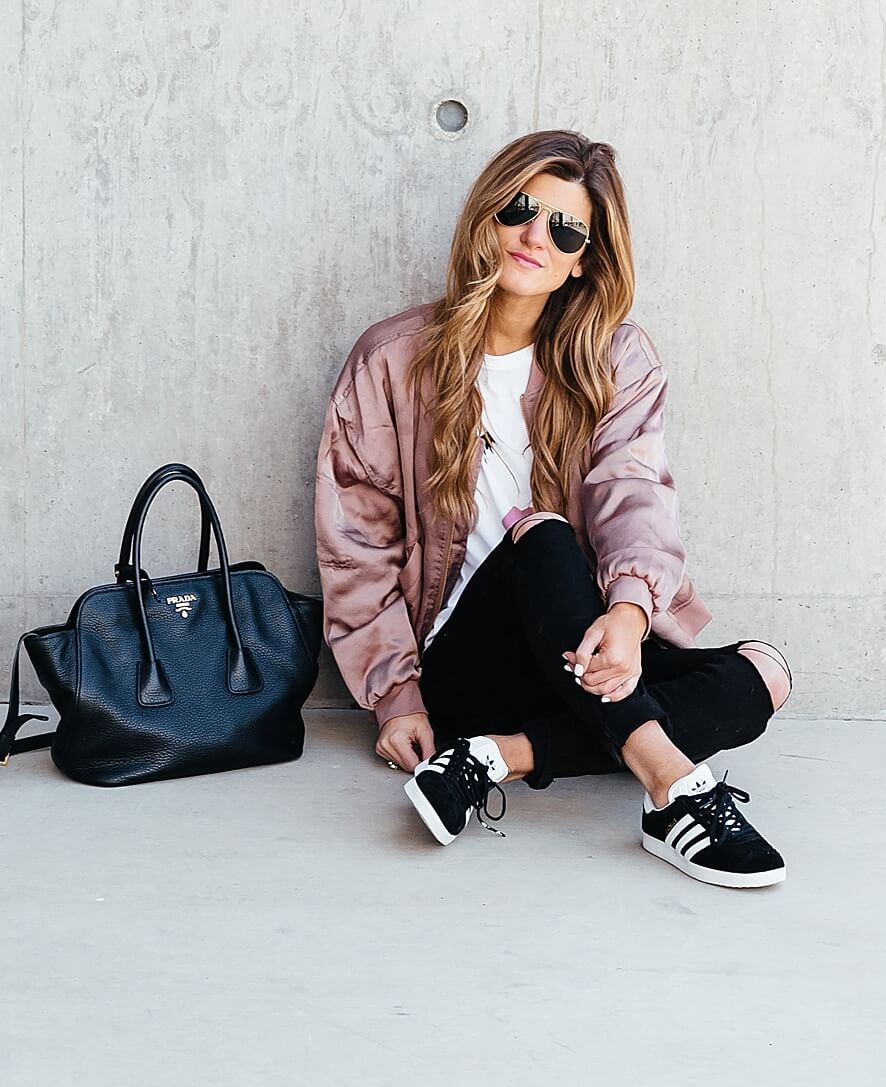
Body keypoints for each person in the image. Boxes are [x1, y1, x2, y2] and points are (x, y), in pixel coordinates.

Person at [315, 128, 793, 889]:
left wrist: (632, 618)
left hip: (585, 660)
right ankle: (672, 790)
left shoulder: (616, 360)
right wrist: (397, 699)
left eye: (565, 228)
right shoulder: (393, 358)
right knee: (539, 534)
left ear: (583, 261)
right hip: (465, 665)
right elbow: (357, 546)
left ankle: (496, 758)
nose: (536, 236)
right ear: (487, 217)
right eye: (520, 210)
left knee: (763, 676)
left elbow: (633, 494)